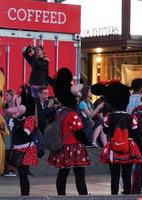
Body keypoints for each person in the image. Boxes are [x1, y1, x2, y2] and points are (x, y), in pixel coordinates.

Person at [47, 68, 90, 196]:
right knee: (80, 175)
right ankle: (83, 195)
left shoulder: (59, 113)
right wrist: (86, 141)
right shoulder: (73, 114)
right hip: (75, 147)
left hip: (63, 147)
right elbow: (78, 131)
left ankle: (61, 195)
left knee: (62, 174)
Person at [96, 82, 142, 195]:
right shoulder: (132, 117)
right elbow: (136, 134)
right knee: (127, 175)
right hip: (128, 148)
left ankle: (114, 196)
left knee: (114, 175)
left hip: (113, 147)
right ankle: (127, 195)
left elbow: (106, 130)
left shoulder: (109, 117)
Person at [6, 85, 39, 196]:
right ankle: (24, 195)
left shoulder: (30, 118)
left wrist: (17, 123)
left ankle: (25, 195)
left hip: (26, 150)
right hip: (19, 148)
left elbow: (26, 133)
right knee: (21, 174)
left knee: (23, 174)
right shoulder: (19, 117)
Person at [3, 89, 17, 177]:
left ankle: (11, 169)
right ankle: (6, 169)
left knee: (13, 150)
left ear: (12, 96)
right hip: (7, 130)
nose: (5, 96)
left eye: (7, 95)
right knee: (7, 150)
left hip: (14, 130)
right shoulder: (5, 106)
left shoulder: (17, 106)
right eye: (5, 95)